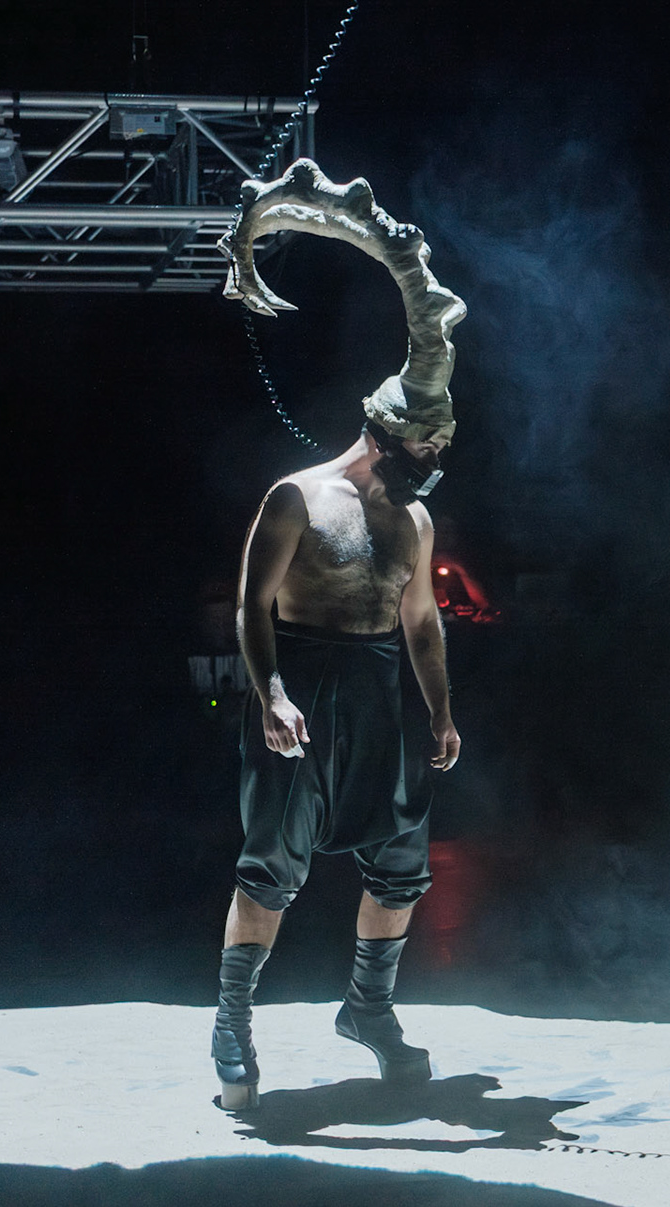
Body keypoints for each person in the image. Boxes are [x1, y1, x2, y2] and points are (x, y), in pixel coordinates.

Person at [211, 160, 467, 1113]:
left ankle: (368, 1008)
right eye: (424, 447)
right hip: (302, 683)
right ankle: (232, 1020)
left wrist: (440, 713)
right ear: (383, 431)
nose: (432, 462)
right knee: (273, 866)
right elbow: (251, 606)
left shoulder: (415, 519)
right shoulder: (298, 497)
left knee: (401, 865)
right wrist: (271, 693)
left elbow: (422, 621)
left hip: (376, 691)